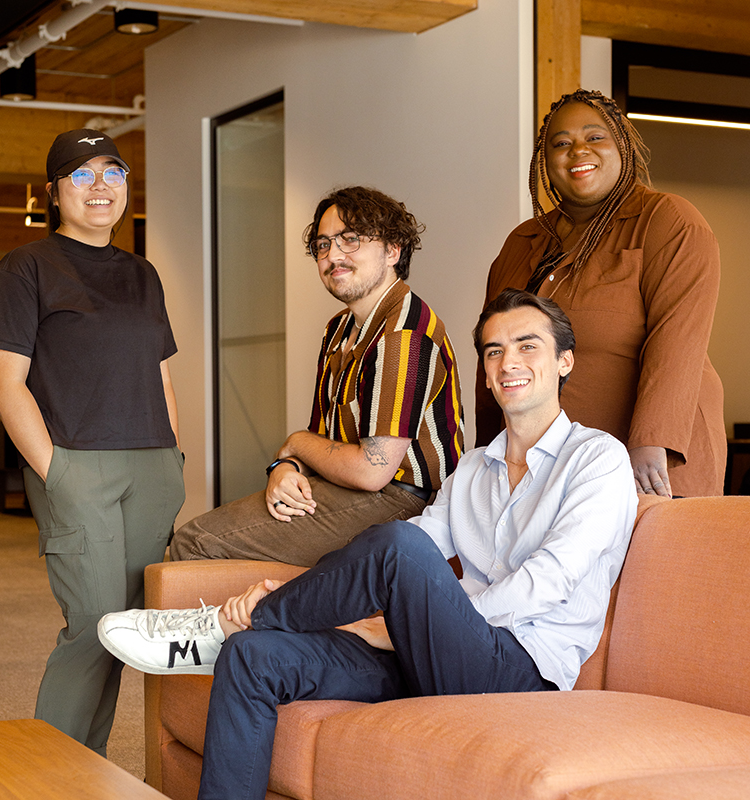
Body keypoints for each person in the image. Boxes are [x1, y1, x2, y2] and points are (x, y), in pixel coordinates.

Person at [98, 288, 638, 800]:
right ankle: (238, 634)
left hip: (522, 675)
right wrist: (398, 622)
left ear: (565, 361)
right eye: (494, 351)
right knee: (251, 656)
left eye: (528, 346)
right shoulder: (474, 467)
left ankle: (232, 620)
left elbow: (549, 580)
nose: (508, 362)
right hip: (432, 656)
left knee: (398, 546)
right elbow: (422, 541)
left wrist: (419, 620)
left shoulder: (598, 459)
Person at [0, 129, 185, 754]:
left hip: (151, 468)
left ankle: (82, 770)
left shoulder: (144, 274)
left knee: (124, 631)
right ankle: (45, 776)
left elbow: (161, 374)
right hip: (76, 463)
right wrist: (55, 470)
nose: (100, 186)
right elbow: (4, 381)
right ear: (54, 191)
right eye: (82, 173)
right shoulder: (25, 269)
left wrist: (173, 457)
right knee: (92, 624)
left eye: (113, 172)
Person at [169, 186, 464, 571]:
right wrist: (285, 468)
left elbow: (372, 471)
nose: (333, 255)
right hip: (346, 488)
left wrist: (293, 444)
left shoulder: (402, 336)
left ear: (393, 250)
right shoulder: (339, 329)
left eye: (351, 240)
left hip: (405, 501)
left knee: (197, 543)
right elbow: (322, 439)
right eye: (323, 245)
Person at [476, 89, 725, 498]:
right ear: (545, 159)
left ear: (622, 145)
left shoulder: (668, 221)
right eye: (560, 143)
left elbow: (678, 342)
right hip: (548, 472)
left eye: (595, 137)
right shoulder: (521, 242)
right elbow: (493, 353)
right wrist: (488, 452)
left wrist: (650, 443)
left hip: (648, 468)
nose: (577, 151)